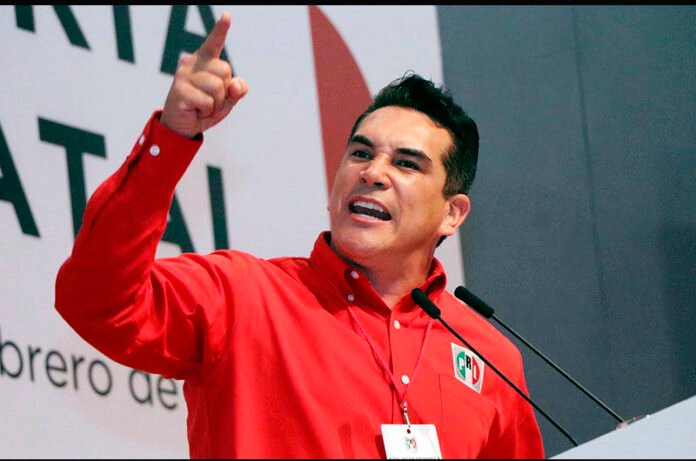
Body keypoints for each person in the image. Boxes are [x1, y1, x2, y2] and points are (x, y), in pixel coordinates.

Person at [54, 12, 544, 459]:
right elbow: (98, 302)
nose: (373, 172)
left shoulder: (490, 358)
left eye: (406, 163)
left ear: (452, 214)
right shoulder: (242, 296)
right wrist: (173, 137)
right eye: (360, 153)